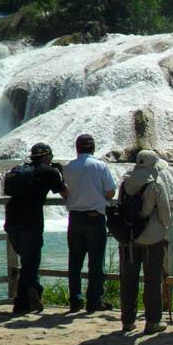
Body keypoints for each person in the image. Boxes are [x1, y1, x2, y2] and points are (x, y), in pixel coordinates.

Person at [3, 143, 68, 313]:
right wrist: (61, 174)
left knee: (27, 261)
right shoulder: (49, 172)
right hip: (31, 222)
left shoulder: (18, 169)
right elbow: (65, 193)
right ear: (47, 157)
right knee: (30, 262)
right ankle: (22, 303)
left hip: (11, 220)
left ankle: (34, 291)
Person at [117, 150, 172, 334]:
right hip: (152, 238)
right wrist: (165, 229)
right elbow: (165, 213)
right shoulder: (155, 184)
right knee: (152, 280)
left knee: (128, 279)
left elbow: (120, 206)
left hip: (129, 238)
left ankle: (127, 321)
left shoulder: (125, 183)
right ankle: (152, 322)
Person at [62, 133, 117, 313]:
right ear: (93, 148)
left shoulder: (68, 167)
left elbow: (66, 191)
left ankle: (75, 300)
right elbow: (110, 192)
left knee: (75, 261)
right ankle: (94, 301)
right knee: (96, 262)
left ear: (77, 148)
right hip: (95, 217)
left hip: (75, 218)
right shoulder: (100, 166)